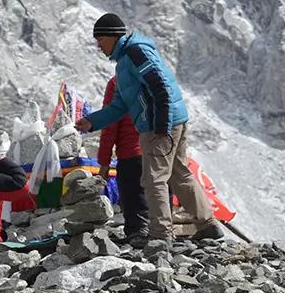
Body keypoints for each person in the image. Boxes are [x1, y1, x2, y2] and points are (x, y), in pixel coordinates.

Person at [74, 13, 219, 244]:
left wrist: (162, 124)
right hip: (173, 120)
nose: (98, 45)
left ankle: (161, 234)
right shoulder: (124, 62)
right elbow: (120, 105)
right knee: (179, 174)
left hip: (158, 125)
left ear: (112, 36)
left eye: (100, 39)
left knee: (154, 179)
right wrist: (92, 122)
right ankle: (208, 224)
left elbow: (159, 85)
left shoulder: (135, 52)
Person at [94, 71, 148, 241]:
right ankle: (162, 237)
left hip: (131, 155)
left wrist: (104, 162)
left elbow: (109, 124)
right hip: (159, 152)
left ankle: (139, 237)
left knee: (137, 221)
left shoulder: (118, 82)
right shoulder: (157, 79)